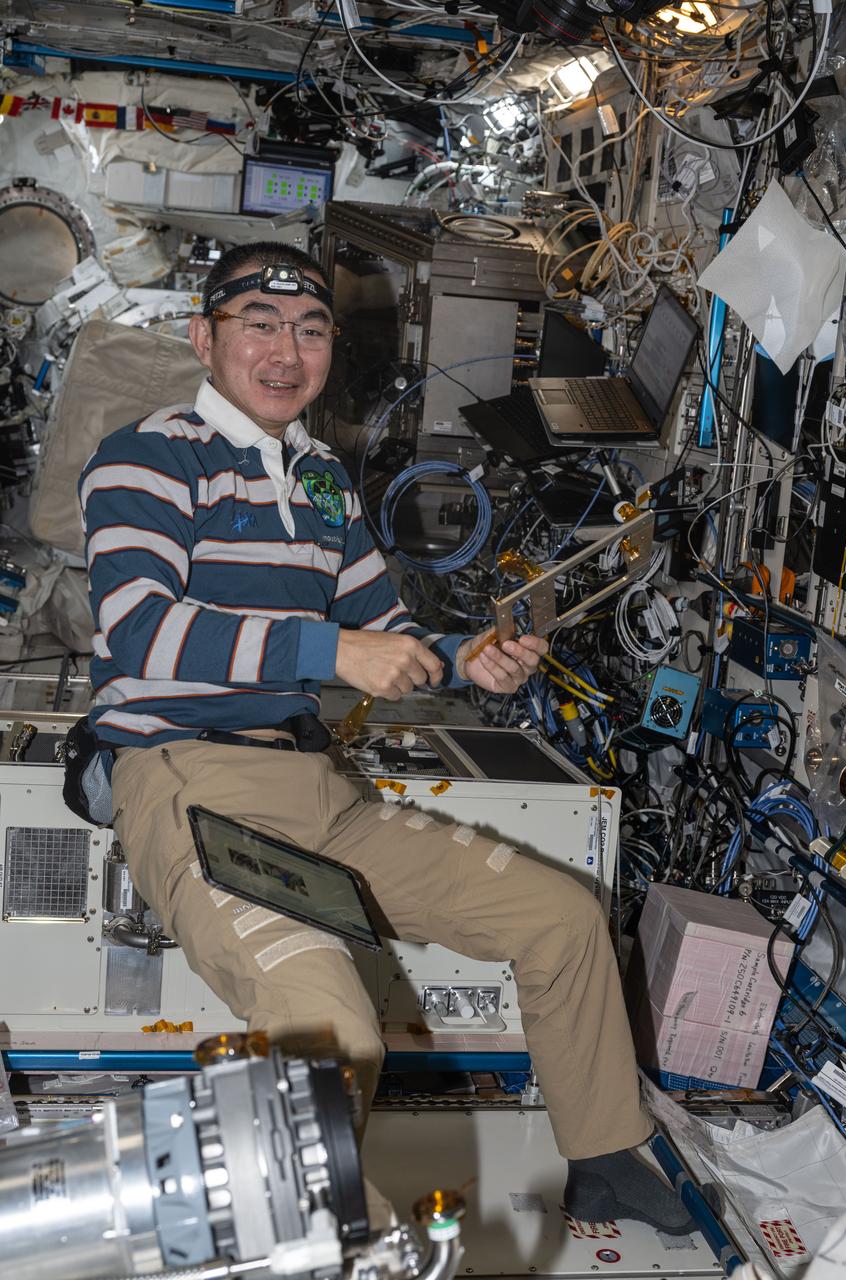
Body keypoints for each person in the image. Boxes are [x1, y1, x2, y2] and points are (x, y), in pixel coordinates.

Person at [80, 241, 694, 1235]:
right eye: (259, 325)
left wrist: (465, 658)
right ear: (203, 337)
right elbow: (142, 626)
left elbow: (386, 630)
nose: (287, 351)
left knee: (561, 916)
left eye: (310, 330)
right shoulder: (146, 457)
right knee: (327, 1035)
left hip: (318, 791)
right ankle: (332, 1246)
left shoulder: (321, 478)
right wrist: (333, 650)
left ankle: (602, 1153)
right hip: (190, 787)